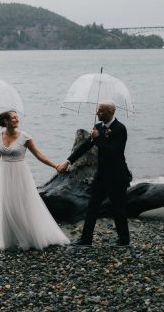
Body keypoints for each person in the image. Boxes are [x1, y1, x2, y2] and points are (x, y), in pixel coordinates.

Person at [0, 110, 70, 250]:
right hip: (5, 173)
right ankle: (13, 238)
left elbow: (39, 155)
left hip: (20, 173)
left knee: (23, 204)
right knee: (9, 205)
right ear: (6, 121)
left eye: (17, 117)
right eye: (13, 118)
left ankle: (29, 237)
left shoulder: (25, 137)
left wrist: (55, 165)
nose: (17, 119)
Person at [57, 101, 132, 247]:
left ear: (110, 112)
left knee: (118, 209)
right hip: (101, 176)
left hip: (117, 176)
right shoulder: (98, 127)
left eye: (100, 111)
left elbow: (113, 152)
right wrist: (68, 161)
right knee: (92, 207)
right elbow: (85, 146)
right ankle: (86, 239)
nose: (97, 113)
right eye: (98, 110)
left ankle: (124, 240)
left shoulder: (120, 129)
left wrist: (98, 138)